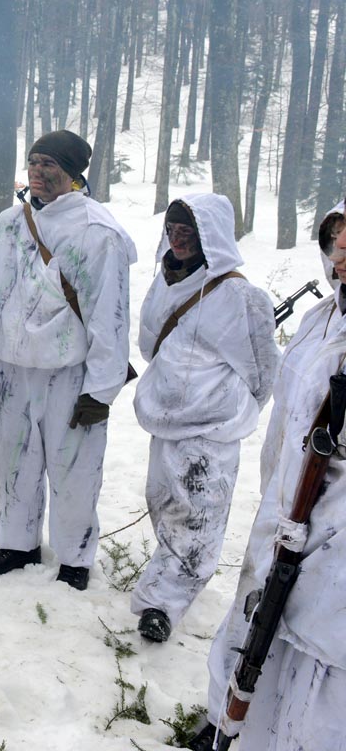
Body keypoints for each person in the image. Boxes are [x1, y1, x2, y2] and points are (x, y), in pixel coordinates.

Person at [186, 202, 346, 751]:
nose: (341, 254)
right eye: (335, 240)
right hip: (285, 511)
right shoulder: (320, 320)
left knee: (318, 671)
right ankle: (231, 726)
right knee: (254, 631)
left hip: (335, 535)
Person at [0, 129, 136, 591]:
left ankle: (75, 556)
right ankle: (17, 544)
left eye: (49, 164)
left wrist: (100, 391)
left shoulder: (97, 231)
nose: (37, 172)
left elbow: (110, 315)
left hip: (69, 372)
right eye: (33, 162)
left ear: (72, 173)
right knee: (13, 460)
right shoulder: (7, 224)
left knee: (74, 468)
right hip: (14, 368)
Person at [129, 194, 278, 643]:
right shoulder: (166, 281)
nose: (177, 240)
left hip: (212, 429)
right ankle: (168, 581)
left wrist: (226, 406)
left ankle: (163, 606)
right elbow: (151, 343)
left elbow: (263, 372)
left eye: (188, 232)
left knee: (197, 519)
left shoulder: (241, 297)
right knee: (165, 504)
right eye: (172, 230)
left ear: (210, 236)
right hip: (165, 420)